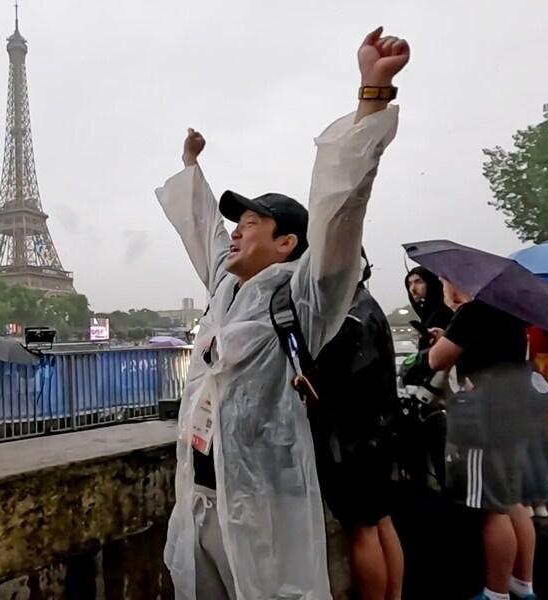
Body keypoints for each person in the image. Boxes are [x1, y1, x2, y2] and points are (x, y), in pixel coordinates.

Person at [156, 27, 408, 600]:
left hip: (263, 505)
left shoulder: (303, 298)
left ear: (289, 242)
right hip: (201, 494)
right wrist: (191, 165)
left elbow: (341, 213)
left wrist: (371, 95)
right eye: (235, 224)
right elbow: (202, 232)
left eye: (250, 224)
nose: (234, 232)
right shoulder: (225, 287)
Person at [429, 281, 539, 600]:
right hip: (515, 414)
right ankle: (523, 583)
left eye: (444, 281)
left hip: (485, 421)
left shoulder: (473, 312)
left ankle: (495, 592)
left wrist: (447, 332)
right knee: (512, 500)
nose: (443, 287)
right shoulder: (511, 311)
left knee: (493, 510)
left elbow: (437, 360)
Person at [312, 251, 404, 600]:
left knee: (362, 531)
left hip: (355, 440)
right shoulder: (368, 305)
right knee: (381, 522)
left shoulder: (350, 318)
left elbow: (341, 384)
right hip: (378, 435)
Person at [406, 266, 454, 334]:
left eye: (419, 282)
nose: (412, 289)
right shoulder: (427, 311)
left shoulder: (442, 313)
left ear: (431, 283)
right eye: (409, 284)